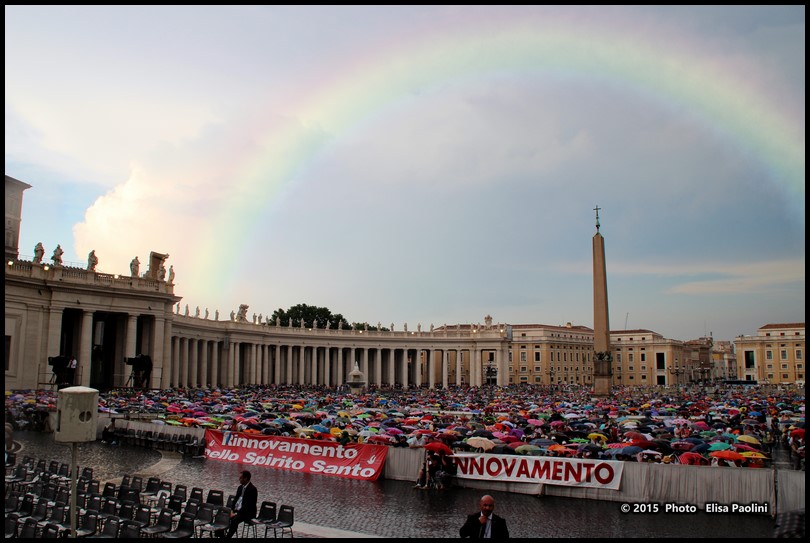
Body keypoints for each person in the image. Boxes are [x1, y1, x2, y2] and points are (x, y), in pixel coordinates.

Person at [224, 470, 258, 538]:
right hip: (237, 510)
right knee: (222, 515)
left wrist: (236, 513)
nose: (239, 479)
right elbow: (235, 500)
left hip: (247, 512)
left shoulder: (252, 489)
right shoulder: (240, 488)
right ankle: (220, 535)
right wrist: (231, 510)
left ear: (245, 478)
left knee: (234, 520)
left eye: (241, 478)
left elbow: (248, 505)